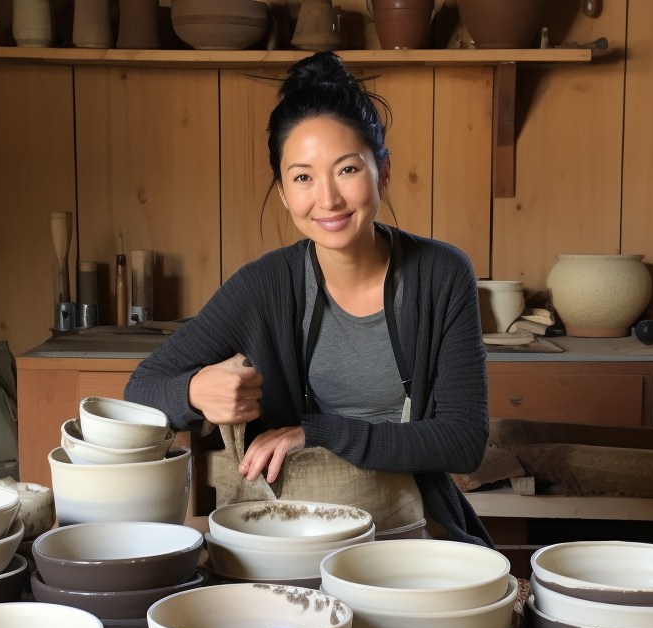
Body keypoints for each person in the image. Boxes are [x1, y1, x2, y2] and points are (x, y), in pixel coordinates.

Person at [124, 51, 490, 546]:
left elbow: (463, 441)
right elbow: (141, 389)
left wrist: (319, 432)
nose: (327, 200)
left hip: (410, 531)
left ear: (381, 170)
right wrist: (194, 391)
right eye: (302, 177)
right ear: (282, 191)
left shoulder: (441, 274)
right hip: (295, 535)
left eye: (346, 170)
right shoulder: (264, 286)